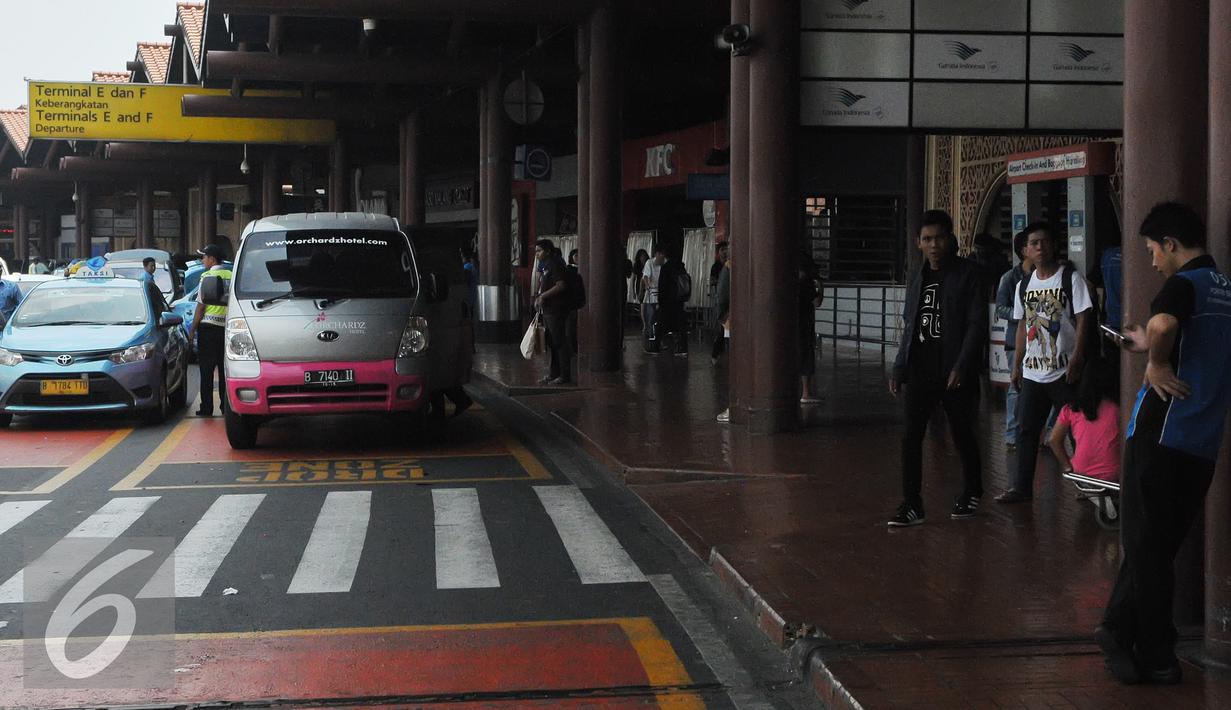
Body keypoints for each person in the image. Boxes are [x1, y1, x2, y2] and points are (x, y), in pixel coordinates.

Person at [1096, 202, 1231, 685]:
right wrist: (1144, 345)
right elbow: (1187, 339)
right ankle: (1123, 635)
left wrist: (1155, 361)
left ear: (1171, 245)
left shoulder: (1182, 284)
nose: (1153, 261)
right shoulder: (1224, 290)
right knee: (1159, 544)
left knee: (1144, 545)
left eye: (1153, 251)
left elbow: (1164, 326)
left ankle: (1151, 650)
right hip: (1201, 441)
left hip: (1162, 431)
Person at [887, 210, 986, 527]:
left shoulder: (968, 273)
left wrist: (962, 364)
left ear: (951, 239)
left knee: (962, 434)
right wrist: (900, 366)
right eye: (927, 239)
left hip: (955, 369)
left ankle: (972, 489)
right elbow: (909, 323)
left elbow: (976, 324)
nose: (934, 245)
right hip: (921, 366)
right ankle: (912, 503)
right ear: (918, 243)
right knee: (910, 437)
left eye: (939, 237)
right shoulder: (919, 275)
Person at [997, 223, 1094, 503]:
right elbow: (1021, 325)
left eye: (1044, 242)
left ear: (1053, 246)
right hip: (1033, 372)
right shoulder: (1023, 284)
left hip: (1064, 371)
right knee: (1027, 430)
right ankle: (1021, 488)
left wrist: (1077, 356)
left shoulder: (1069, 278)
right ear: (1025, 251)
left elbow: (1084, 317)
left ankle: (1086, 483)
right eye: (1034, 243)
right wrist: (1016, 366)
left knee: (1078, 429)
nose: (1040, 248)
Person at [1047, 357, 1120, 483]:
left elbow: (1054, 440)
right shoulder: (1118, 408)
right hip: (1114, 475)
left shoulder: (1071, 408)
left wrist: (1067, 466)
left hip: (1080, 472)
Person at [995, 231, 1033, 450]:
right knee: (1015, 386)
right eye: (1033, 244)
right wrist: (1021, 314)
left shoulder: (1046, 276)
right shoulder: (1010, 278)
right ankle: (1012, 435)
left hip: (1040, 342)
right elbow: (1000, 308)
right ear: (1023, 251)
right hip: (1015, 341)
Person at [188, 245, 232, 417]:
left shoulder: (206, 277)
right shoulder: (230, 275)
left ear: (212, 259)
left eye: (204, 257)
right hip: (225, 329)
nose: (202, 260)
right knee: (224, 370)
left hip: (207, 329)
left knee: (206, 370)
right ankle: (225, 407)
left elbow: (200, 306)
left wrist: (192, 330)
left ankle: (207, 408)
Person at [533, 239, 572, 385]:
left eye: (539, 251)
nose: (537, 254)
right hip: (548, 309)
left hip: (556, 309)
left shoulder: (555, 264)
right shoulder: (546, 265)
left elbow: (561, 285)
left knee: (560, 342)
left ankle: (564, 375)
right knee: (553, 343)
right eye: (536, 251)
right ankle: (553, 373)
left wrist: (543, 295)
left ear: (548, 251)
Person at [656, 248, 690, 357]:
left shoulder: (665, 268)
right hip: (680, 300)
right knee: (680, 325)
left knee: (664, 324)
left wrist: (660, 302)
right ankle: (682, 348)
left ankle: (660, 346)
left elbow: (662, 287)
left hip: (668, 302)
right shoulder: (681, 267)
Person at [799, 256, 823, 402]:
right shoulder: (807, 283)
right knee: (806, 356)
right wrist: (820, 286)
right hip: (805, 324)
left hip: (791, 325)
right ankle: (806, 393)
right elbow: (817, 302)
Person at [641, 248, 665, 352]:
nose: (663, 258)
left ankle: (659, 342)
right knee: (651, 320)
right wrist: (647, 285)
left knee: (661, 320)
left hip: (662, 294)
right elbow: (645, 276)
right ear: (657, 254)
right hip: (652, 294)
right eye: (661, 255)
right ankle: (650, 344)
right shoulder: (649, 263)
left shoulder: (665, 263)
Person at [711, 253, 731, 365]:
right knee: (725, 332)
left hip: (727, 307)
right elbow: (723, 293)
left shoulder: (726, 267)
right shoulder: (728, 267)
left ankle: (716, 353)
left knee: (725, 332)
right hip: (728, 307)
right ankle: (716, 353)